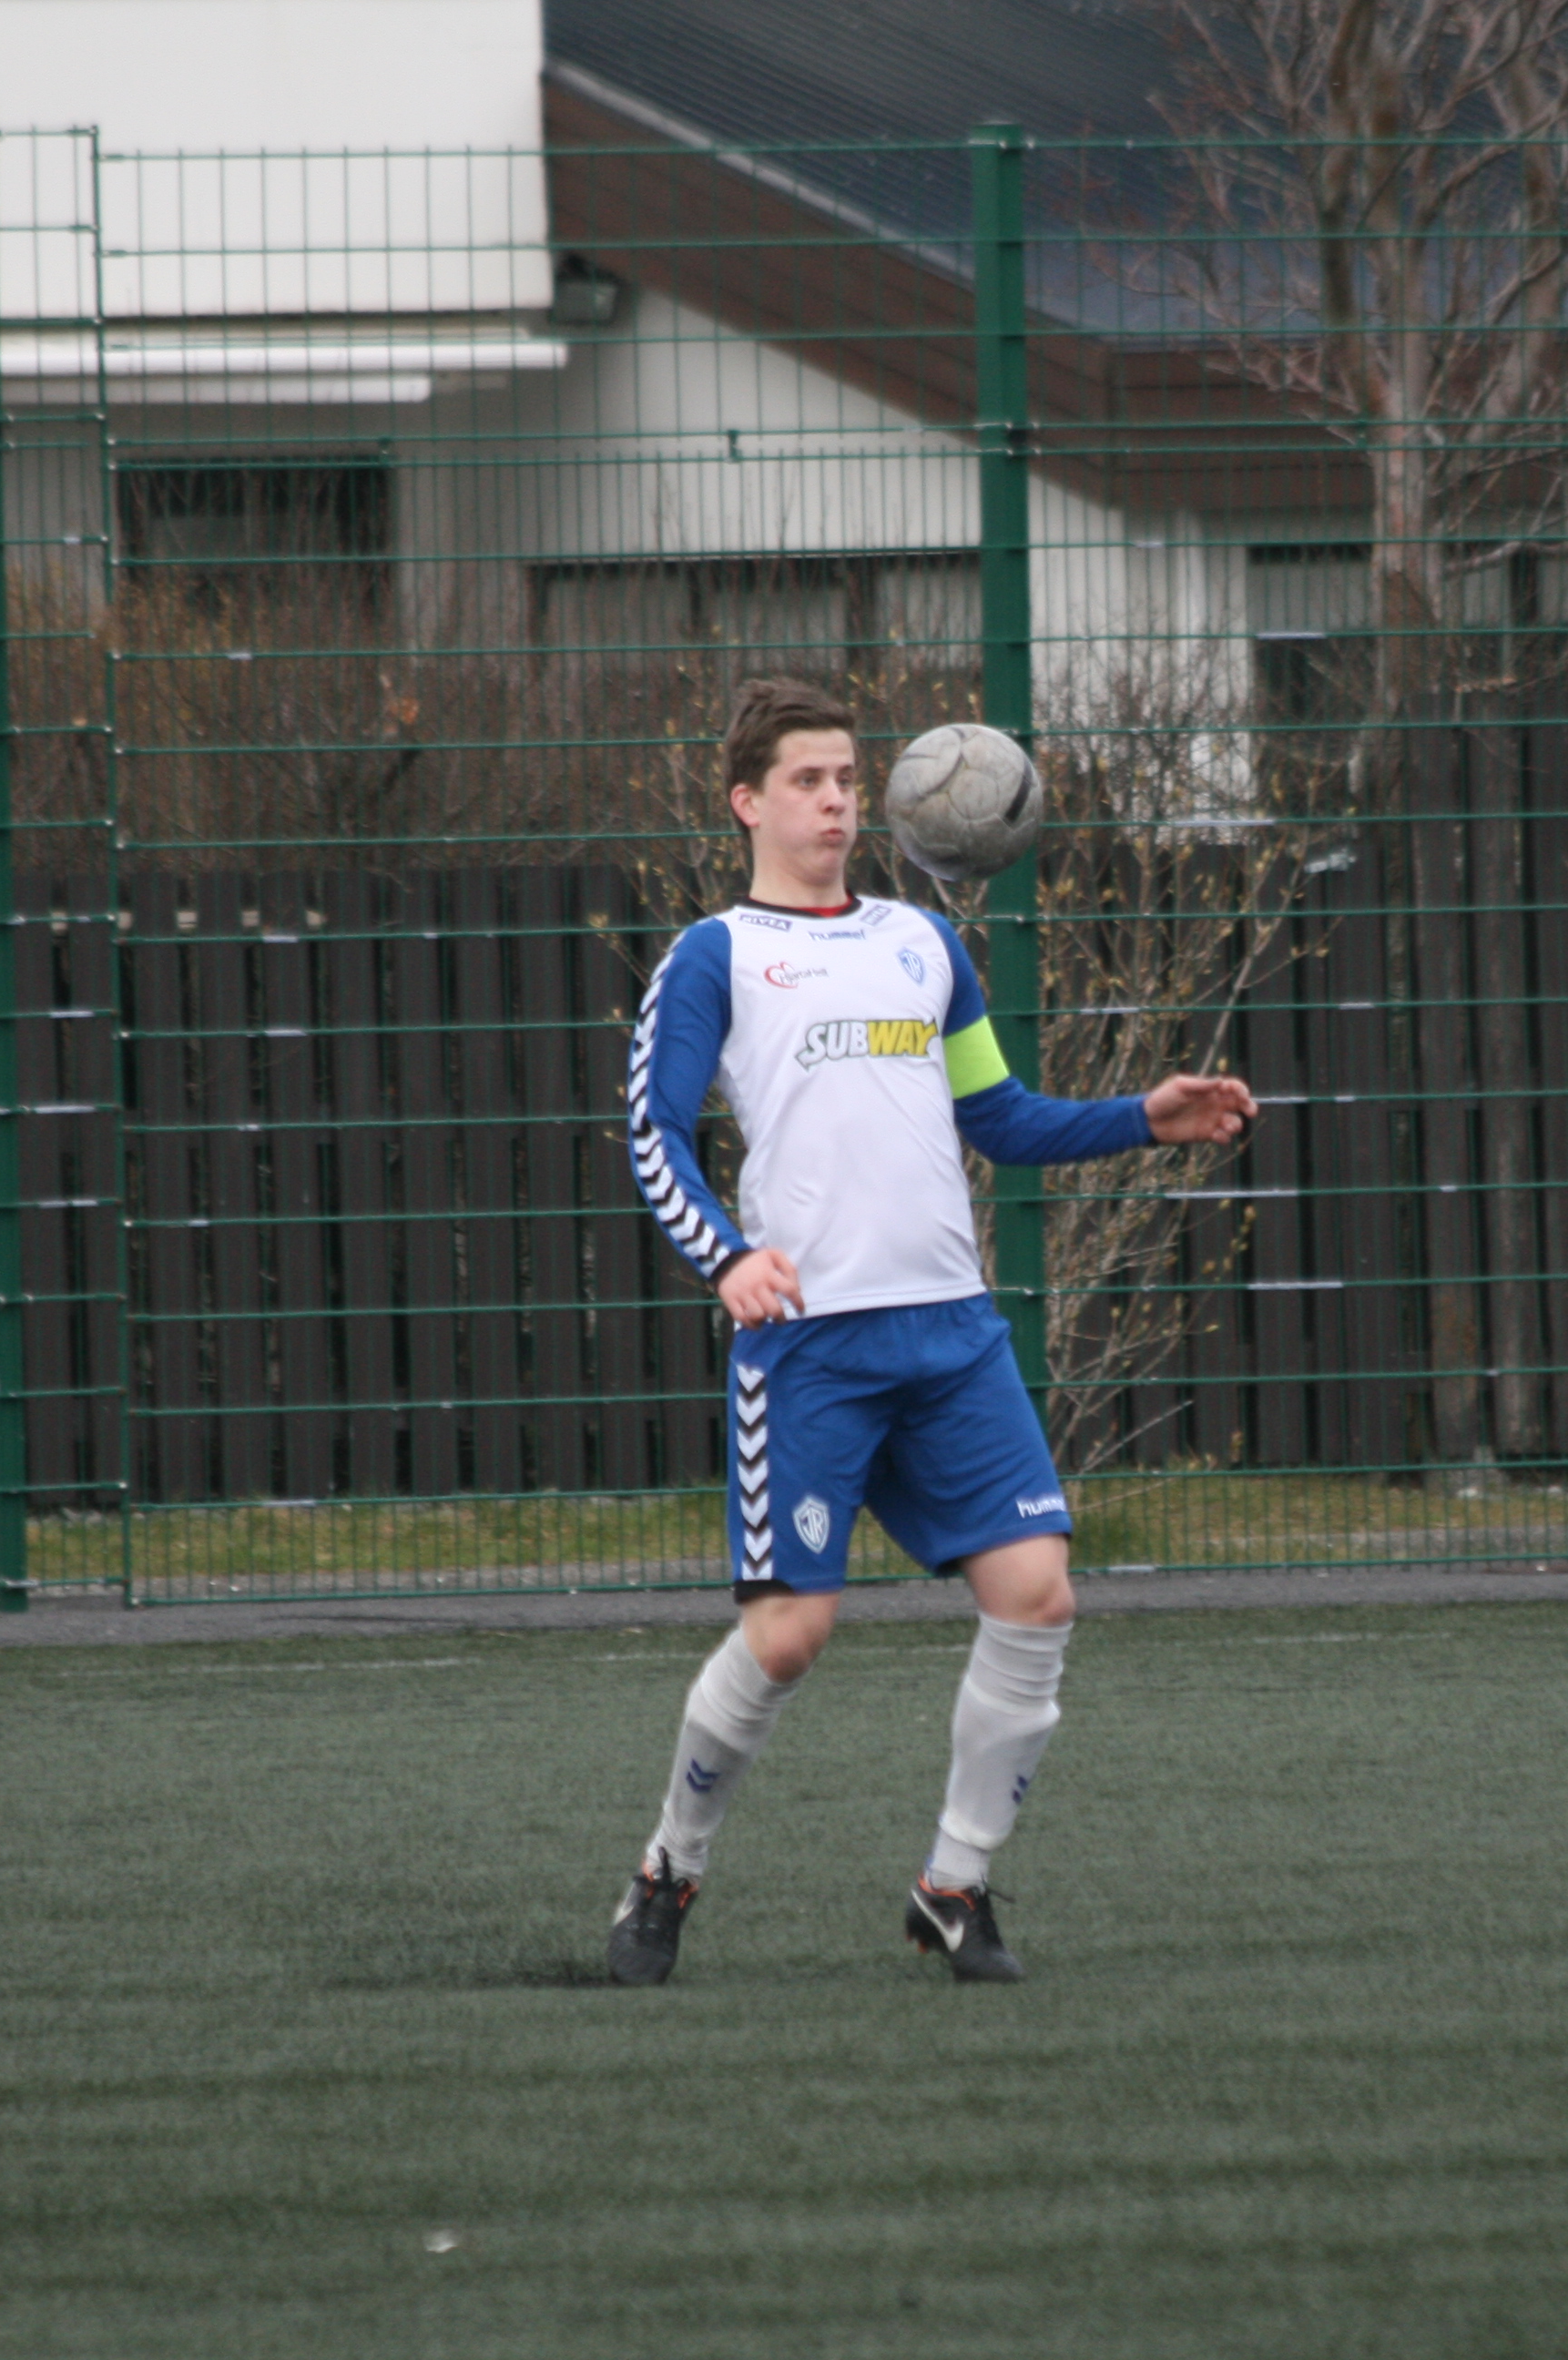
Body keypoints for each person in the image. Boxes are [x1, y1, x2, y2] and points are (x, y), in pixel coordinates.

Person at [607, 677, 1257, 1986]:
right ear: (746, 802)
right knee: (788, 1638)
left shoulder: (922, 943)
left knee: (1038, 1595)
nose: (837, 801)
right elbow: (654, 1132)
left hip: (951, 1336)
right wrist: (727, 1258)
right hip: (812, 1350)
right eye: (807, 781)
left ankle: (954, 1886)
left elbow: (999, 1118)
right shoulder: (716, 955)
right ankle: (669, 1868)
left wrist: (1144, 1117)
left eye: (849, 778)